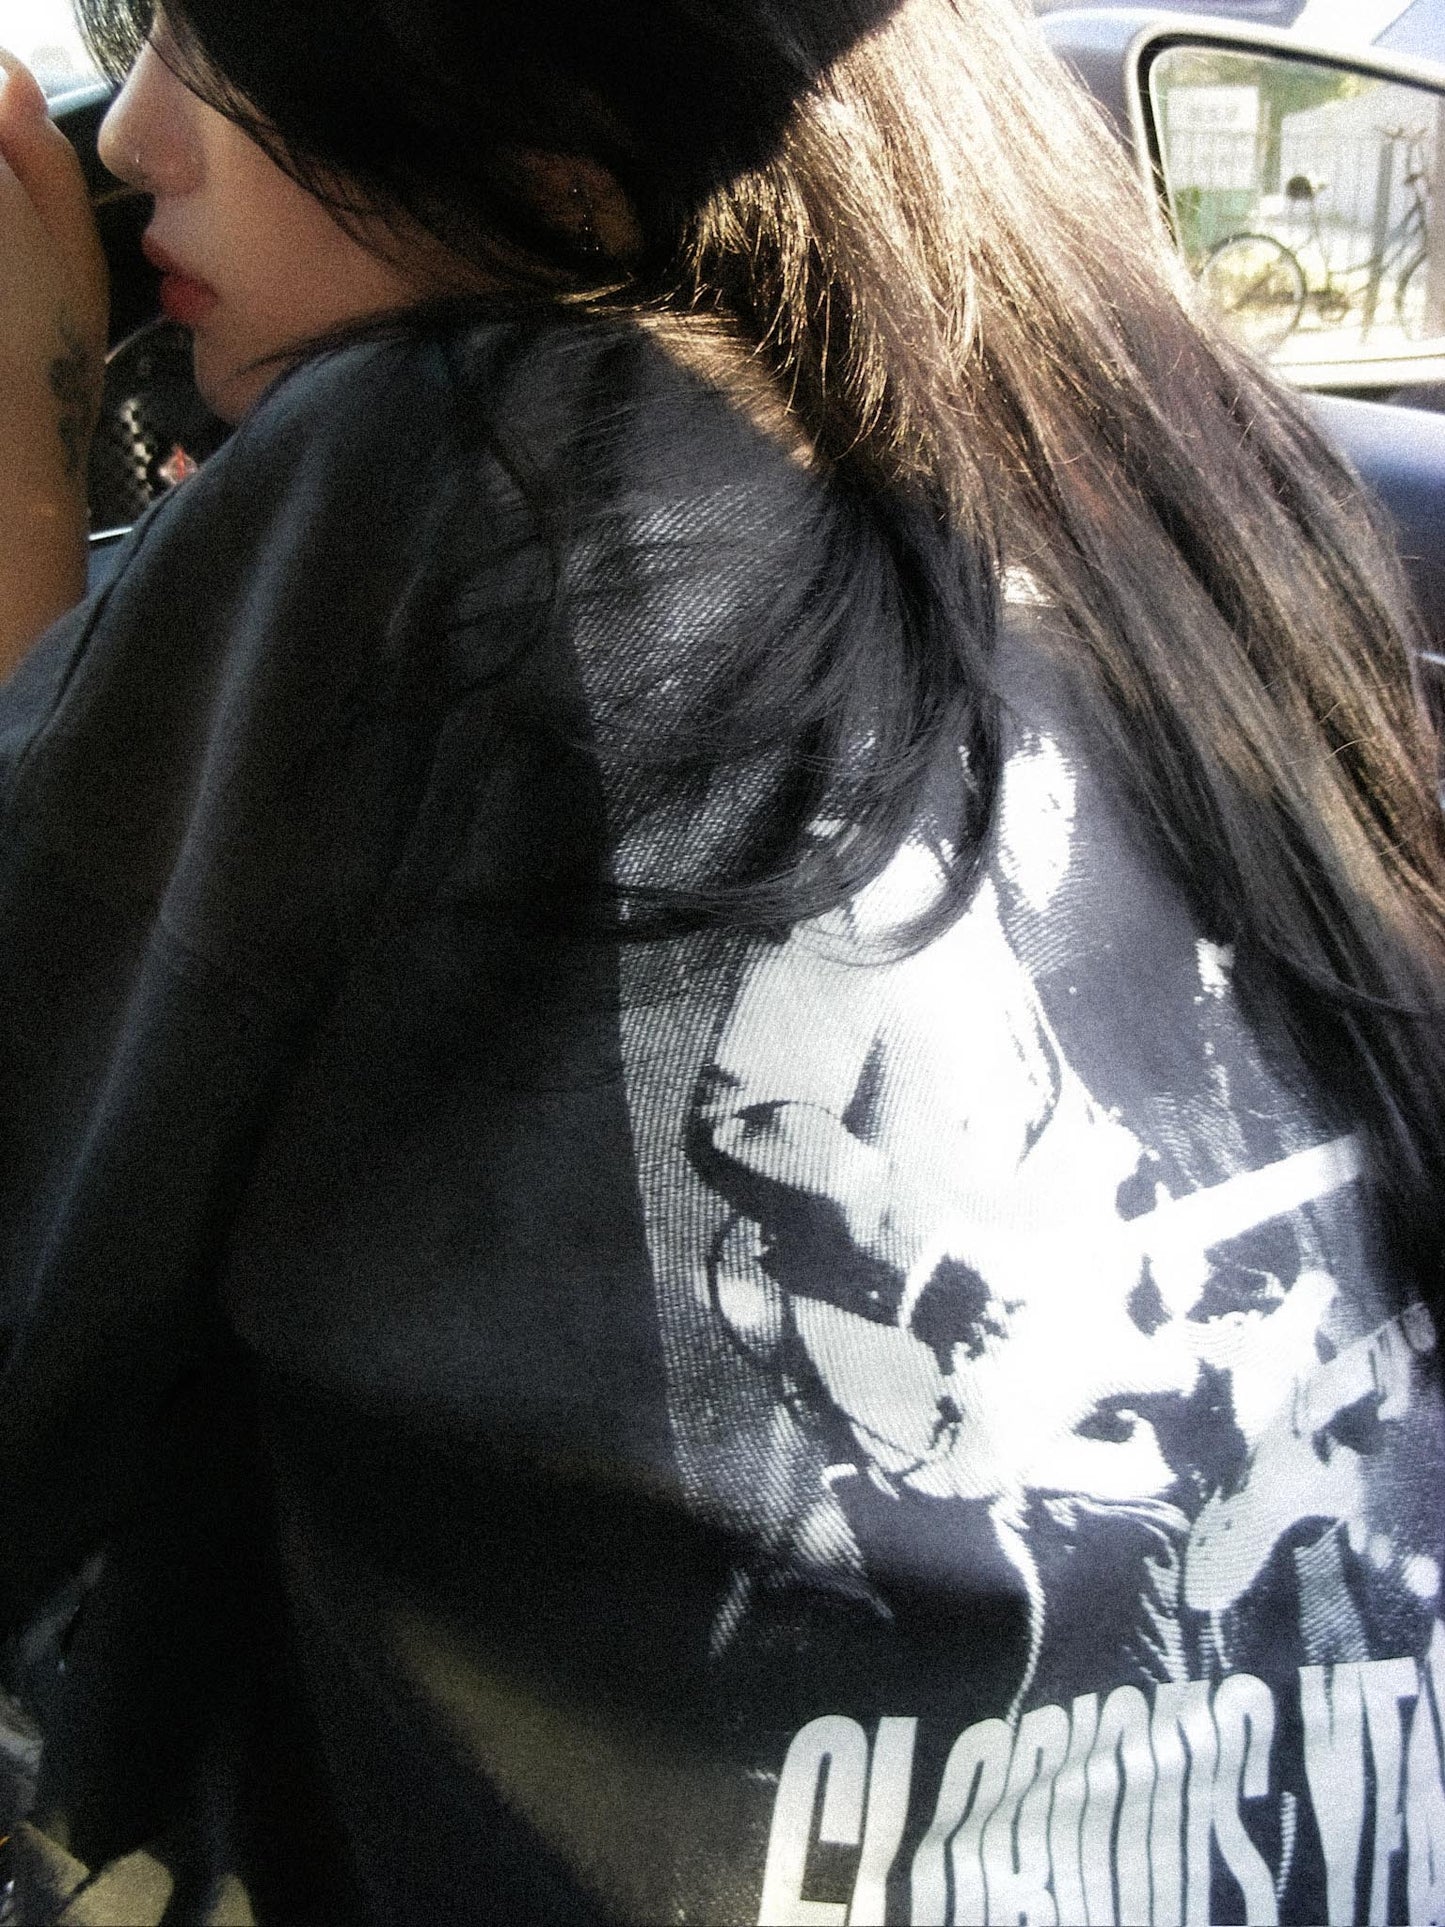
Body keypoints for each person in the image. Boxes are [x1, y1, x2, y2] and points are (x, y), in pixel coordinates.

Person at [0, 0, 1443, 1921]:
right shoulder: (1212, 491)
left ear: (539, 91)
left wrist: (23, 470)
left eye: (211, 30)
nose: (131, 137)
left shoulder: (447, 476)